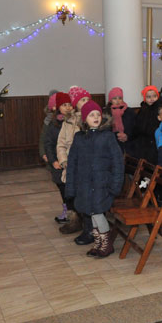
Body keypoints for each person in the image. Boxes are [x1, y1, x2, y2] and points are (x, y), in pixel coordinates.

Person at [65, 100, 124, 258]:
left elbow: (118, 162)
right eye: (91, 115)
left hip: (102, 184)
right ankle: (98, 243)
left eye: (98, 114)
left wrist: (115, 186)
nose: (96, 117)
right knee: (91, 213)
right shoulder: (79, 138)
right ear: (84, 119)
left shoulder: (107, 136)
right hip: (84, 184)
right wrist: (71, 187)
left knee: (97, 212)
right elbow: (72, 164)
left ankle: (106, 244)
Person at [56, 86, 92, 237]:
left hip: (86, 165)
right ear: (75, 104)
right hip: (71, 164)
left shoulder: (92, 118)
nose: (85, 102)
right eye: (82, 100)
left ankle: (89, 227)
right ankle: (77, 221)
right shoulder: (68, 121)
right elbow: (61, 143)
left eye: (87, 100)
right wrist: (63, 160)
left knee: (86, 196)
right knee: (74, 195)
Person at [44, 92, 73, 224]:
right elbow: (48, 144)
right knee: (63, 188)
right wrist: (53, 161)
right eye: (64, 105)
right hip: (59, 163)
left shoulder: (75, 122)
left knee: (72, 189)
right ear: (58, 107)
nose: (67, 107)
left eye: (69, 104)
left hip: (72, 162)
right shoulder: (54, 124)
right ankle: (67, 211)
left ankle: (75, 213)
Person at [128, 85, 161, 164]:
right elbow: (137, 124)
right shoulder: (143, 109)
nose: (152, 99)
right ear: (144, 98)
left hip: (154, 140)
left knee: (151, 161)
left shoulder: (160, 109)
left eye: (154, 96)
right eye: (148, 97)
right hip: (142, 140)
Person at [105, 87, 135, 153]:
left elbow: (135, 127)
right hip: (112, 143)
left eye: (120, 98)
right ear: (110, 100)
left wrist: (127, 135)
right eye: (114, 98)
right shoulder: (107, 112)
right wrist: (116, 135)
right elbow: (105, 130)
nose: (118, 101)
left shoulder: (129, 111)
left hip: (129, 143)